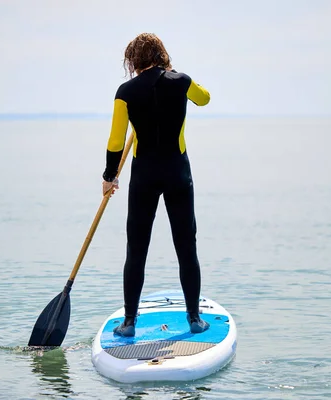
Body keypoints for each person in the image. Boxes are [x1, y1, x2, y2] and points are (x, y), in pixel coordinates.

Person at [102, 33, 211, 337]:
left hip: (144, 176)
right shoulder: (181, 82)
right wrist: (176, 74)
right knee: (186, 245)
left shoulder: (125, 92)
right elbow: (204, 98)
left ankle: (128, 322)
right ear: (161, 54)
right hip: (177, 172)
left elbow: (115, 140)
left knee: (136, 248)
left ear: (133, 61)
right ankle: (193, 318)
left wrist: (109, 176)